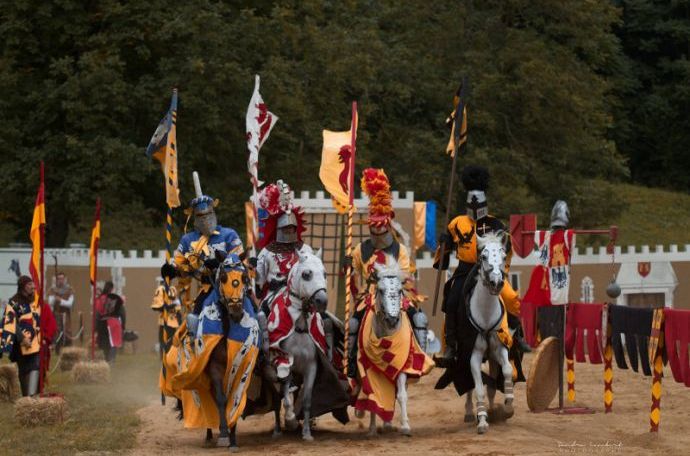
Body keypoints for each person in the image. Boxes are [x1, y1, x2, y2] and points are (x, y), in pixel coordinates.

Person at [434, 165, 530, 365]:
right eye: (473, 204)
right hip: (464, 271)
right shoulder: (456, 223)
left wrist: (501, 270)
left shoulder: (496, 224)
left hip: (491, 270)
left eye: (480, 204)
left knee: (511, 297)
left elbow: (507, 250)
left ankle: (517, 335)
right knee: (452, 300)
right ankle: (451, 345)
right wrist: (443, 244)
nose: (476, 209)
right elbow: (445, 257)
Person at [346, 168, 429, 377]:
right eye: (374, 228)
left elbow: (404, 274)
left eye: (381, 228)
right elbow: (355, 276)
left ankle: (419, 357)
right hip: (369, 295)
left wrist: (388, 279)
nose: (378, 233)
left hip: (396, 291)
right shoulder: (360, 249)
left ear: (387, 226)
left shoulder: (400, 250)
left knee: (418, 319)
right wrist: (347, 267)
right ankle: (351, 362)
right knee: (354, 322)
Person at [160, 171, 244, 337]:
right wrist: (172, 270)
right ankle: (192, 349)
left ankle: (263, 346)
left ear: (214, 212)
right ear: (194, 217)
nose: (205, 219)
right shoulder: (187, 240)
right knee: (193, 318)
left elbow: (240, 259)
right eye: (201, 216)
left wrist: (221, 264)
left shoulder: (229, 235)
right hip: (205, 287)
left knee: (255, 311)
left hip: (230, 286)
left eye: (208, 215)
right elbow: (179, 263)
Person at [0, 276, 56, 396]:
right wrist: (22, 338)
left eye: (33, 284)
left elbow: (38, 321)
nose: (33, 287)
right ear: (23, 286)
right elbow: (10, 322)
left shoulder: (34, 302)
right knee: (24, 370)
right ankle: (27, 397)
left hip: (35, 343)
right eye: (30, 284)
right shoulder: (14, 302)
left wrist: (44, 337)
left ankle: (32, 395)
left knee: (36, 366)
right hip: (21, 345)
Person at [96, 281, 126, 363]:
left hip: (102, 323)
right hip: (113, 322)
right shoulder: (114, 298)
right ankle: (111, 360)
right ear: (112, 289)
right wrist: (123, 325)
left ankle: (107, 359)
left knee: (105, 342)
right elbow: (122, 313)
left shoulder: (100, 298)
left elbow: (97, 313)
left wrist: (96, 326)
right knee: (114, 342)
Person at [48, 271, 74, 347]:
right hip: (56, 314)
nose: (60, 280)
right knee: (56, 332)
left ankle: (67, 349)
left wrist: (60, 300)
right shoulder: (53, 290)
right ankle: (56, 348)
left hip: (66, 314)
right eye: (59, 279)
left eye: (62, 278)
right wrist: (54, 298)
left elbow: (70, 304)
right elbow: (50, 303)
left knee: (67, 332)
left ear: (65, 279)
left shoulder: (69, 289)